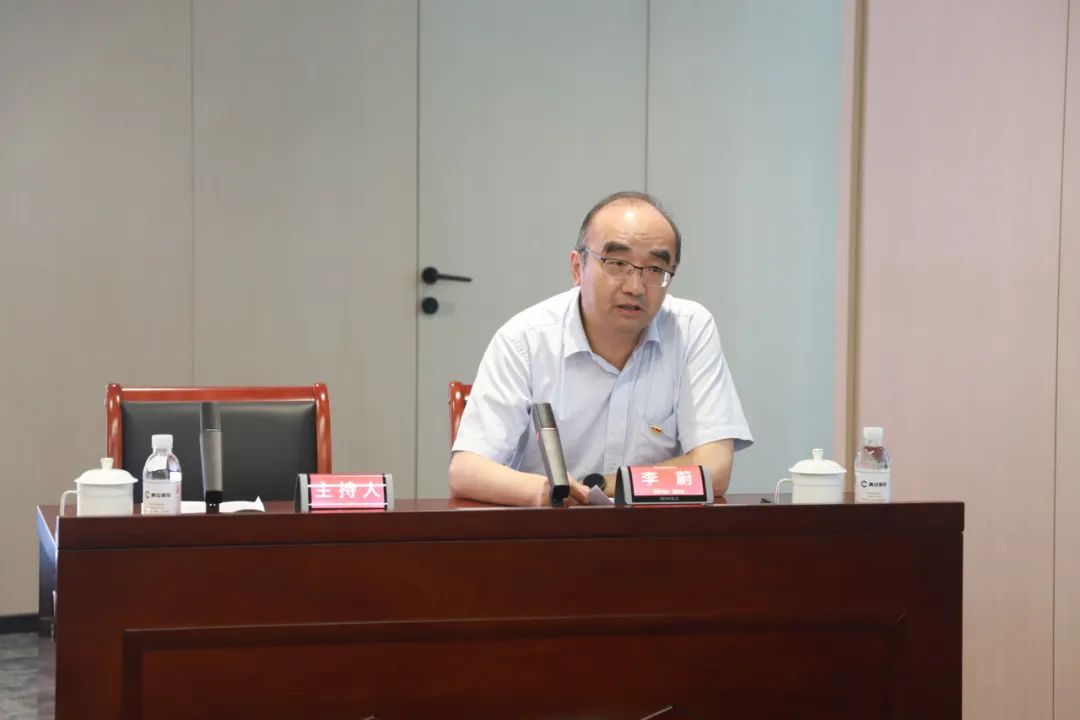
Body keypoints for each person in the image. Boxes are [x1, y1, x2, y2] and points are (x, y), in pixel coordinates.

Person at [449, 191, 752, 506]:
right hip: (548, 528)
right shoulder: (524, 340)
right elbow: (466, 470)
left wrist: (599, 486)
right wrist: (546, 491)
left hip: (655, 530)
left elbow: (714, 470)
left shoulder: (690, 330)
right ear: (577, 267)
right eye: (616, 263)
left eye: (654, 269)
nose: (635, 287)